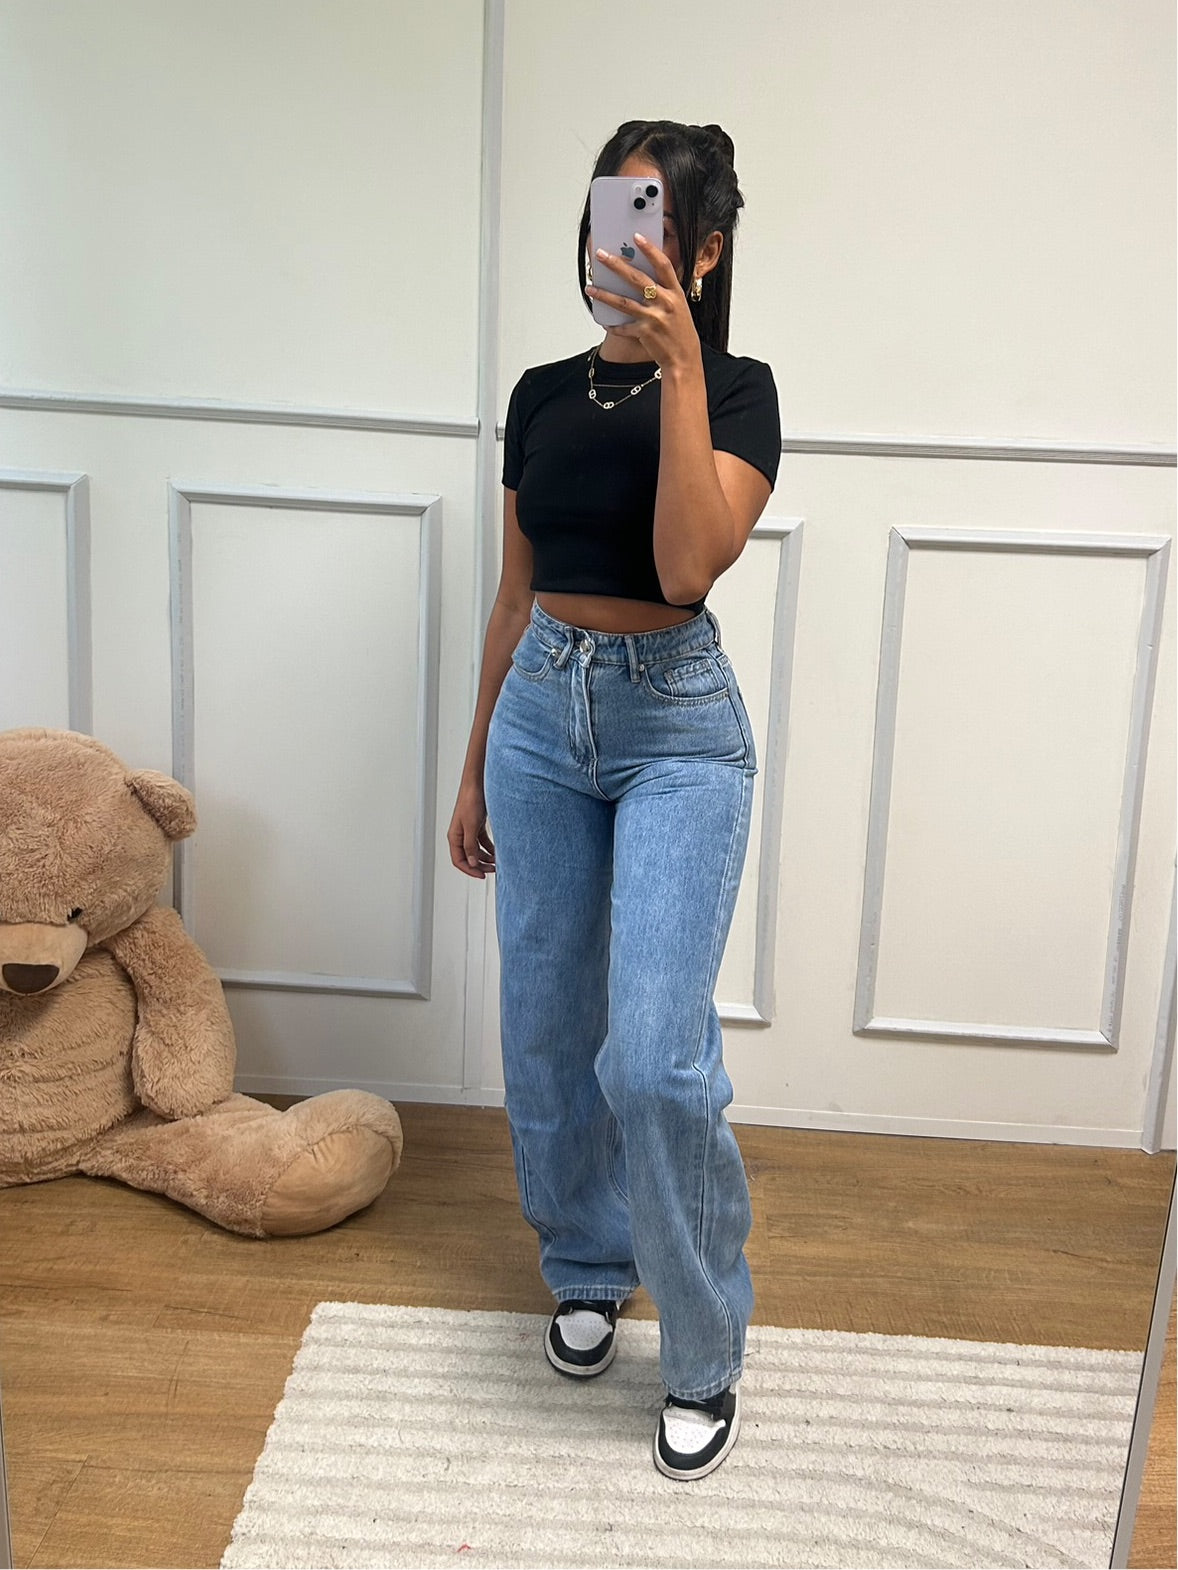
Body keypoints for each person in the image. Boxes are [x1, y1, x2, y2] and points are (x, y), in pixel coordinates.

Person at [448, 119, 781, 1481]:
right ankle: (587, 1260)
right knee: (544, 1028)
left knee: (650, 1054)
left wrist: (682, 363)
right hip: (541, 715)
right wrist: (475, 759)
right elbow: (514, 595)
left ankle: (703, 1346)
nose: (614, 242)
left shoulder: (741, 392)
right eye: (604, 212)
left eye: (646, 217)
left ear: (701, 250)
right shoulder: (538, 393)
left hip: (675, 731)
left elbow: (687, 566)